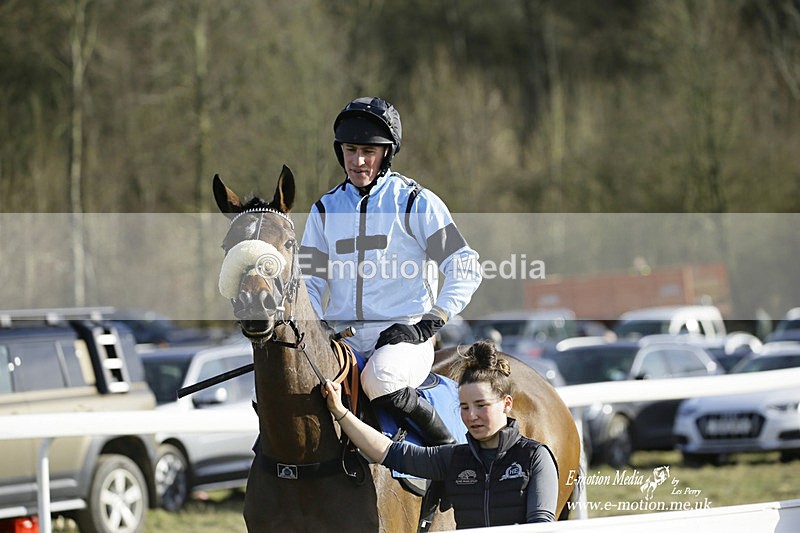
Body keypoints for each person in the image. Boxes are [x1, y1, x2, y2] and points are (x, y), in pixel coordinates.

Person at [300, 96, 482, 445]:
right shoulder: (324, 210)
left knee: (380, 378)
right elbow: (309, 279)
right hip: (342, 339)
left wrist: (429, 323)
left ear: (387, 153)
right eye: (350, 150)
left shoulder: (416, 201)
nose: (358, 161)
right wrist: (317, 324)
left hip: (405, 337)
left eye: (368, 151)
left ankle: (448, 456)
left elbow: (464, 266)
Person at [321, 340, 559, 527]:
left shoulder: (535, 457)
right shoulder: (454, 459)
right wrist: (340, 412)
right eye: (464, 407)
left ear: (507, 404)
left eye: (481, 405)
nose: (471, 416)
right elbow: (387, 451)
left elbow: (541, 527)